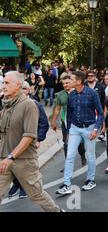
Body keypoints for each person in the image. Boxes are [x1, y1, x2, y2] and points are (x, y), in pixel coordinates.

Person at [0, 71, 62, 212]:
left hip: (24, 160)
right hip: (3, 159)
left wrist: (11, 157)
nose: (3, 86)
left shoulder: (29, 105)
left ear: (18, 85)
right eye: (3, 82)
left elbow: (29, 136)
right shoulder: (5, 105)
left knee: (36, 195)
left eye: (7, 83)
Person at [56, 71, 104, 195]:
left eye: (71, 79)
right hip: (74, 129)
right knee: (70, 155)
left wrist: (95, 130)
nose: (68, 81)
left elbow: (100, 113)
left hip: (89, 128)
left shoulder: (92, 93)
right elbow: (69, 114)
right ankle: (66, 184)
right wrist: (68, 131)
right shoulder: (71, 95)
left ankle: (91, 180)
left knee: (90, 155)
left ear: (78, 81)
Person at [7, 81, 50, 200]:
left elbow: (44, 123)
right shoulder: (11, 103)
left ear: (28, 91)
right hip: (13, 140)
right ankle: (17, 184)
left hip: (28, 141)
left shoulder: (34, 104)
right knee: (12, 164)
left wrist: (39, 139)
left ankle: (23, 188)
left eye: (23, 89)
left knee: (24, 167)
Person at [51, 74, 86, 172]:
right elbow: (57, 109)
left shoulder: (78, 92)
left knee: (79, 143)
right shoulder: (60, 95)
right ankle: (67, 164)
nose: (65, 85)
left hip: (77, 122)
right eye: (63, 83)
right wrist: (53, 121)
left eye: (67, 83)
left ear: (72, 82)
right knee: (66, 143)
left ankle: (83, 155)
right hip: (65, 122)